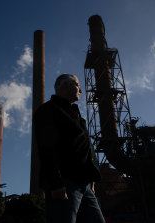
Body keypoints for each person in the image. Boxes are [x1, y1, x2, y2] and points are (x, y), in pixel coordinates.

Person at [34, 74, 105, 223]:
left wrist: (92, 179)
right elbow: (46, 149)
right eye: (78, 85)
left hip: (85, 184)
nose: (81, 90)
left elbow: (86, 148)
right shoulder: (48, 110)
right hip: (65, 182)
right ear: (65, 86)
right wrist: (56, 184)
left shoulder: (78, 116)